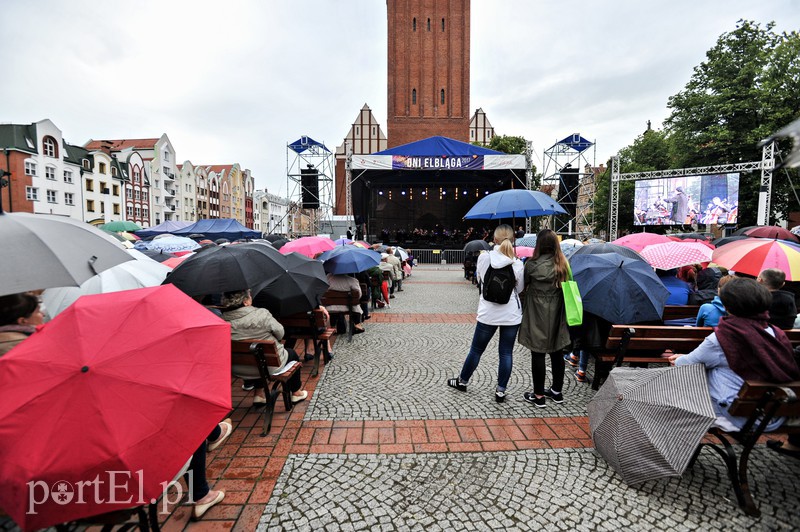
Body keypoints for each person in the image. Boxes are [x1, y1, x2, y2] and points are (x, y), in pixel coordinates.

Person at [670, 278, 800, 432]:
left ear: (727, 306)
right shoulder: (775, 333)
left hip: (734, 416)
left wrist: (679, 358)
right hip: (773, 414)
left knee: (701, 372)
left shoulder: (722, 338)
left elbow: (686, 364)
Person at [447, 224, 524, 402]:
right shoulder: (517, 263)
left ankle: (463, 381)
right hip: (511, 313)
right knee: (506, 353)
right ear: (513, 240)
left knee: (476, 350)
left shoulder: (484, 258)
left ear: (494, 239)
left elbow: (480, 280)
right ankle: (501, 390)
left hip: (488, 312)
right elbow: (519, 289)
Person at [221, 289, 308, 405]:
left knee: (257, 355)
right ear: (245, 302)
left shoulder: (221, 320)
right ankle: (296, 393)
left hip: (237, 368)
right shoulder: (262, 314)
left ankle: (259, 394)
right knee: (291, 354)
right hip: (268, 366)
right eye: (249, 296)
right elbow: (281, 334)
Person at [518, 229, 571, 407]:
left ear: (539, 244)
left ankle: (539, 395)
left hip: (536, 312)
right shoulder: (563, 265)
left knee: (537, 352)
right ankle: (557, 392)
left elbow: (523, 285)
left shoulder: (531, 265)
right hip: (557, 313)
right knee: (557, 351)